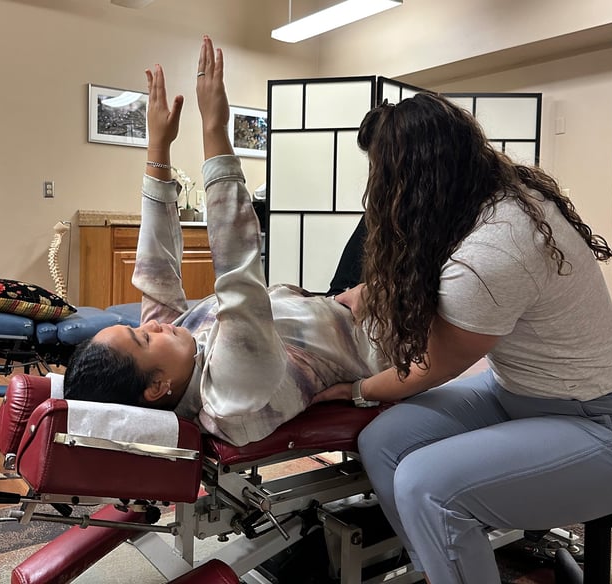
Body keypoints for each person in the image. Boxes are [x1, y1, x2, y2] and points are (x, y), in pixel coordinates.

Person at [311, 95, 612, 583]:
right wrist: (375, 289)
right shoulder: (486, 201)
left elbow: (433, 365)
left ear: (420, 175)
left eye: (382, 173)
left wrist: (356, 391)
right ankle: (440, 567)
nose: (378, 188)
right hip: (519, 393)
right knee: (383, 440)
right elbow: (435, 280)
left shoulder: (498, 244)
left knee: (427, 484)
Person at [63, 36, 391, 446]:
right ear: (156, 387)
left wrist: (159, 145)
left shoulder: (177, 353)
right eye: (144, 337)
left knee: (387, 205)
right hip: (379, 329)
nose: (152, 326)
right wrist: (214, 130)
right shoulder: (230, 395)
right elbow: (238, 270)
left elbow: (155, 265)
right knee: (409, 209)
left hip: (333, 302)